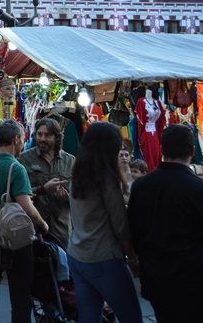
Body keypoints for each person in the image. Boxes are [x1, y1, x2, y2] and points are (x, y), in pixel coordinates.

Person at [68, 122, 142, 323]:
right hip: (103, 257)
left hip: (77, 253)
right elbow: (120, 226)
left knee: (89, 317)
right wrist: (133, 258)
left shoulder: (78, 173)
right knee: (131, 317)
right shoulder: (105, 178)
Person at [128, 124, 203, 323]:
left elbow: (134, 229)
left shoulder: (142, 186)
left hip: (156, 278)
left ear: (161, 150)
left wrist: (136, 260)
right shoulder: (198, 189)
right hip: (193, 281)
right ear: (192, 151)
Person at [0, 119, 49, 323]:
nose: (24, 144)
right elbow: (26, 205)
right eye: (23, 140)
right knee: (20, 299)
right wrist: (42, 224)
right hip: (14, 241)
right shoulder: (16, 168)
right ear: (16, 139)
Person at [18, 117, 74, 245]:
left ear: (57, 138)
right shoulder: (24, 159)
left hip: (62, 231)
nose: (42, 139)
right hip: (34, 231)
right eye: (39, 134)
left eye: (48, 135)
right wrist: (43, 189)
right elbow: (19, 194)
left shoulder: (70, 161)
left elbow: (81, 197)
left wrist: (67, 198)